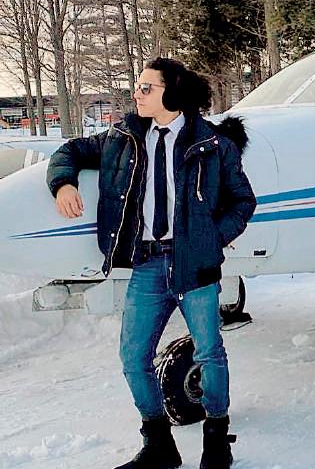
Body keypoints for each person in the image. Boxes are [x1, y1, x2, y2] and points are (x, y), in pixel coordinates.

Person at [46, 58, 257, 469]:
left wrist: (211, 239)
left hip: (194, 265)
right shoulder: (123, 139)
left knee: (210, 354)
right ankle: (159, 444)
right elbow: (69, 150)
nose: (137, 94)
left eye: (147, 88)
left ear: (172, 93)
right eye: (137, 86)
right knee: (133, 358)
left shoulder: (214, 144)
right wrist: (63, 183)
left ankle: (217, 442)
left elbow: (242, 201)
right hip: (146, 263)